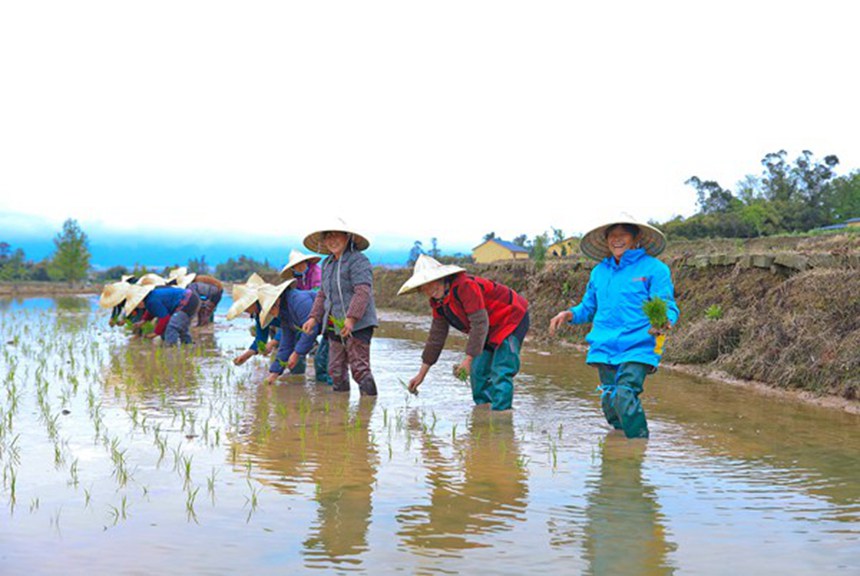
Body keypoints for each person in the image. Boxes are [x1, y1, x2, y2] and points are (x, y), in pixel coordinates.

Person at [549, 215, 679, 439]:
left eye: (623, 235)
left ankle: (638, 445)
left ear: (636, 238)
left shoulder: (654, 269)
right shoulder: (599, 272)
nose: (617, 240)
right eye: (612, 235)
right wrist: (569, 314)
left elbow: (667, 304)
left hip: (640, 344)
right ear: (606, 239)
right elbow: (588, 308)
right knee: (610, 400)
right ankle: (619, 447)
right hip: (604, 345)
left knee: (625, 394)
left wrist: (663, 321)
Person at [399, 255, 530, 411]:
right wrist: (421, 375)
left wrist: (467, 360)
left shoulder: (465, 287)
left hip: (511, 318)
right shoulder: (438, 303)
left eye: (430, 284)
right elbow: (436, 338)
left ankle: (502, 420)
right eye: (423, 288)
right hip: (487, 328)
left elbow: (479, 323)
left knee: (501, 371)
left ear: (440, 278)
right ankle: (483, 418)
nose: (428, 290)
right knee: (478, 374)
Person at [301, 218, 378, 396]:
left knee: (359, 368)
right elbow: (322, 294)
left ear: (347, 237)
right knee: (335, 369)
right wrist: (313, 317)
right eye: (328, 236)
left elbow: (362, 291)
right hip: (333, 323)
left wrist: (351, 319)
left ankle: (367, 410)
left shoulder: (358, 260)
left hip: (359, 324)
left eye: (336, 235)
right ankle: (340, 412)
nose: (332, 240)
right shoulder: (327, 264)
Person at [280, 248, 331, 385]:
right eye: (296, 266)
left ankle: (327, 386)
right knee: (297, 337)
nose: (299, 267)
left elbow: (319, 293)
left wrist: (304, 300)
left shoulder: (316, 272)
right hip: (305, 312)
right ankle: (297, 371)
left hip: (322, 311)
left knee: (322, 357)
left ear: (306, 262)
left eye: (301, 264)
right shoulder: (297, 279)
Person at [258, 280, 321, 384]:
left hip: (335, 324)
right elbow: (286, 343)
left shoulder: (298, 300)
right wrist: (274, 373)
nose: (272, 315)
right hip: (323, 329)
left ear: (276, 301)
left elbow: (311, 330)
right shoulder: (284, 312)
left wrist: (296, 353)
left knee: (323, 362)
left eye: (270, 311)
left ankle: (333, 395)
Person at [227, 273, 280, 365]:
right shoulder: (259, 313)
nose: (245, 311)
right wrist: (245, 356)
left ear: (253, 302)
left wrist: (272, 343)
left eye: (245, 307)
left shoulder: (273, 304)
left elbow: (289, 325)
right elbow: (261, 337)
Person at [124, 282, 200, 346]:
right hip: (191, 299)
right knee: (181, 327)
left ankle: (171, 351)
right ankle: (188, 346)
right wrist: (143, 321)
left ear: (139, 300)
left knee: (172, 327)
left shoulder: (152, 300)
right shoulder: (150, 299)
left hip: (187, 301)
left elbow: (164, 318)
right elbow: (152, 311)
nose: (138, 307)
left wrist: (155, 333)